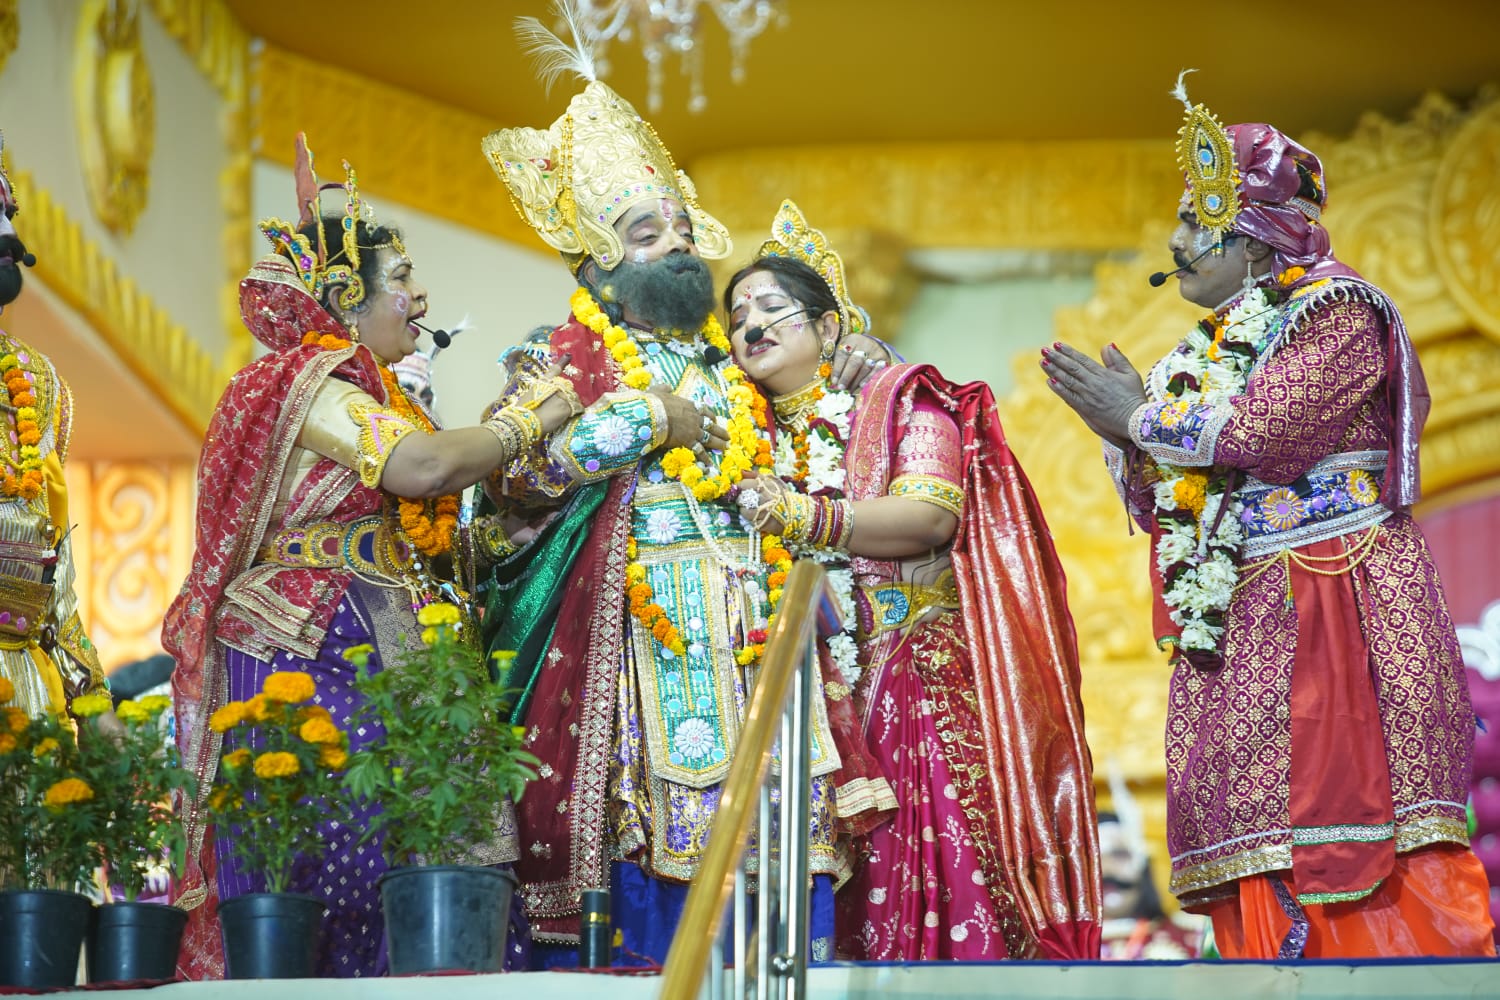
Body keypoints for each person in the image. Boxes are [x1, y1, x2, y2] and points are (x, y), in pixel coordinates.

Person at [1043, 74, 1496, 958]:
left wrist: (1135, 416)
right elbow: (1166, 507)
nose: (1175, 243)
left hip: (1338, 602)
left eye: (1195, 223)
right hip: (1241, 612)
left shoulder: (1338, 312)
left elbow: (1266, 433)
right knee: (1250, 841)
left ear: (1252, 236)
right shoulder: (1202, 349)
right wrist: (1130, 434)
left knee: (1358, 827)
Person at [477, 30, 896, 965]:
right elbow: (507, 484)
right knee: (655, 845)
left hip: (759, 622)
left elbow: (819, 423)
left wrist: (860, 352)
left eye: (676, 227)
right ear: (598, 261)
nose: (674, 246)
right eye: (644, 234)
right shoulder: (559, 355)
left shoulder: (731, 359)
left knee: (784, 835)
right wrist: (640, 421)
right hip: (636, 634)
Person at [163, 136, 580, 978]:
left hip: (387, 625)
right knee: (336, 854)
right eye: (404, 279)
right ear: (345, 296)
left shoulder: (376, 395)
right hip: (308, 642)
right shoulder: (305, 382)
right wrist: (531, 421)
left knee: (432, 848)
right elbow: (422, 469)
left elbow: (424, 515)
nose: (421, 298)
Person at [722, 201, 1100, 960]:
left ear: (830, 327)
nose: (751, 326)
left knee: (928, 874)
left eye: (772, 309)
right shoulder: (735, 433)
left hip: (910, 672)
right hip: (797, 690)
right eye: (736, 319)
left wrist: (799, 515)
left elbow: (929, 516)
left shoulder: (902, 399)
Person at [0, 130, 113, 726]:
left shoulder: (37, 383)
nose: (8, 235)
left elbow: (56, 572)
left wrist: (93, 703)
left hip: (29, 686)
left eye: (8, 215)